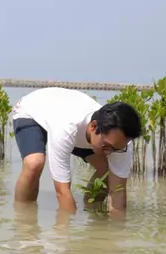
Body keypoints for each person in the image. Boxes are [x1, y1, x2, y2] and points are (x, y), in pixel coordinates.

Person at [11, 87, 142, 215]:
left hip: (74, 130)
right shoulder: (66, 128)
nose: (109, 153)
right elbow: (62, 191)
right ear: (94, 127)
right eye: (106, 146)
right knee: (34, 163)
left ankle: (91, 209)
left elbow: (118, 192)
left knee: (107, 172)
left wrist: (116, 232)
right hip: (31, 112)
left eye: (116, 149)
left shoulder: (123, 143)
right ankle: (23, 217)